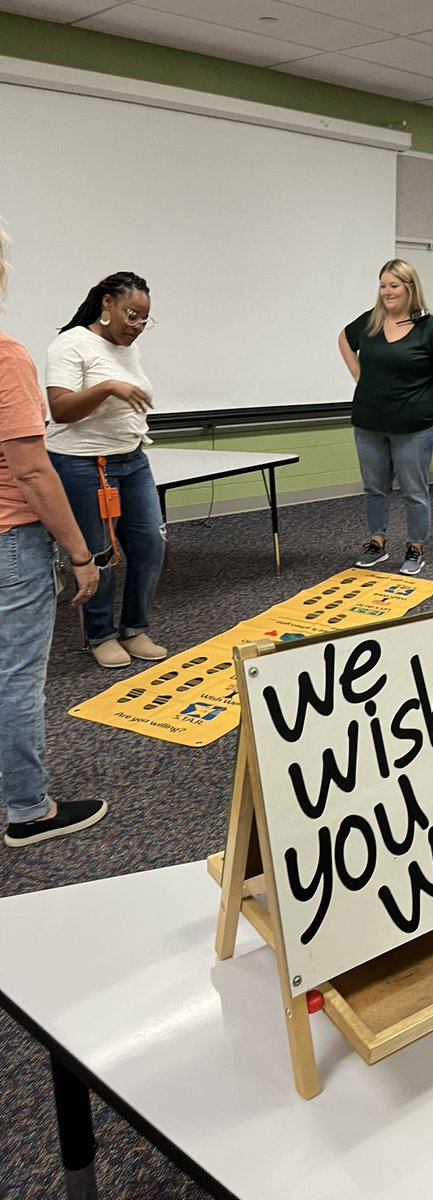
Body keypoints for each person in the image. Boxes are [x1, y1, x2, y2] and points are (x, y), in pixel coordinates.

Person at [0, 223, 108, 847]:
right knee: (16, 675)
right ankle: (27, 809)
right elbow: (33, 471)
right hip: (11, 538)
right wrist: (81, 552)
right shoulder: (7, 355)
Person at [45, 271, 167, 669]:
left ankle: (135, 629)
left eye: (144, 321)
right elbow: (60, 410)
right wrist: (108, 387)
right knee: (102, 553)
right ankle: (100, 635)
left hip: (132, 459)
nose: (137, 327)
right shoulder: (71, 344)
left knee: (150, 544)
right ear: (107, 304)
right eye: (131, 315)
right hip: (84, 464)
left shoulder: (126, 347)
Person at [338, 260, 433, 577]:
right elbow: (344, 338)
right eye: (383, 285)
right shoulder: (370, 322)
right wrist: (360, 376)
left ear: (409, 288)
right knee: (374, 487)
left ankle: (415, 547)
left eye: (394, 285)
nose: (387, 292)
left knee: (413, 490)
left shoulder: (428, 327)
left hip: (414, 424)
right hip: (370, 420)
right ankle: (376, 542)